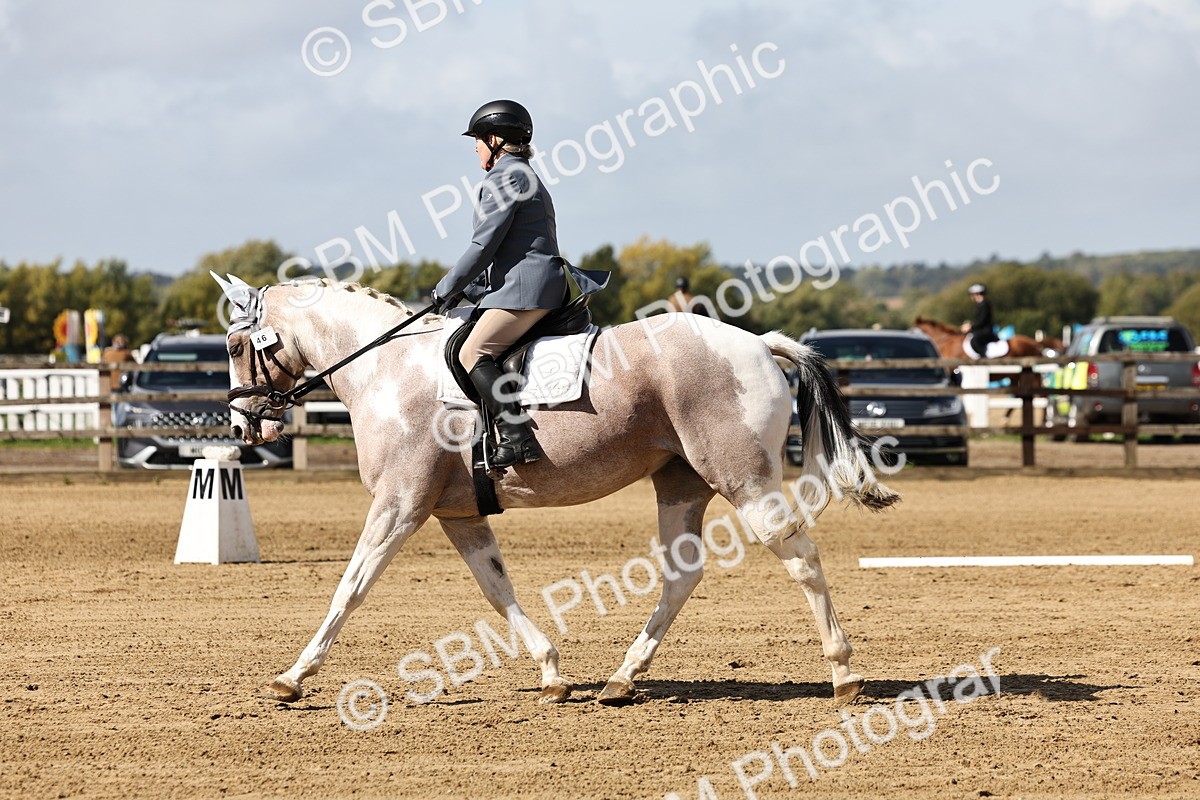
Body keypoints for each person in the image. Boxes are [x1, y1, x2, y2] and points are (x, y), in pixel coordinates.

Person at [431, 100, 606, 468]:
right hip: (527, 283)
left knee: (471, 353)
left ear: (494, 139)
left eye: (477, 140)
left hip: (526, 290)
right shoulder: (523, 173)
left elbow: (483, 245)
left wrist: (444, 289)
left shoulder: (505, 177)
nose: (475, 148)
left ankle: (516, 437)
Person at [961, 283, 997, 358]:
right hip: (979, 330)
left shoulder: (985, 305)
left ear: (977, 294)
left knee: (975, 340)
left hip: (985, 331)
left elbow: (982, 321)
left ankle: (984, 358)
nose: (971, 296)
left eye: (972, 294)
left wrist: (970, 327)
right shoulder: (979, 305)